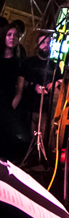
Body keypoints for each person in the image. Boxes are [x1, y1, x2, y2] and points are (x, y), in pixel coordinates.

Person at [0, 23, 27, 159]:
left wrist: (11, 108)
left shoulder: (19, 63)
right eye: (9, 35)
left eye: (15, 35)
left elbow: (19, 90)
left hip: (8, 104)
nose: (12, 38)